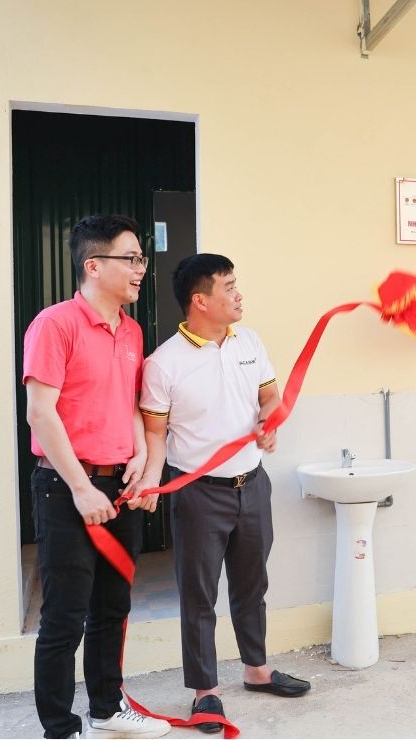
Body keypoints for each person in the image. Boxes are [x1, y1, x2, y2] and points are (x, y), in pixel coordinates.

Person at [135, 253, 310, 734]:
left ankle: (256, 670)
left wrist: (269, 423)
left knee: (252, 585)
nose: (238, 294)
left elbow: (269, 398)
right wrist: (151, 479)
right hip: (198, 495)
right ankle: (205, 692)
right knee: (199, 594)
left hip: (252, 485)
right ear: (200, 300)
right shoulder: (163, 364)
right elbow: (154, 435)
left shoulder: (249, 341)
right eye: (228, 287)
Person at [23, 214, 169, 739]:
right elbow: (41, 412)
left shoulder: (130, 330)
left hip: (118, 488)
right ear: (93, 265)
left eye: (141, 260)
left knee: (113, 605)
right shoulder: (55, 324)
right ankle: (61, 728)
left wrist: (136, 455)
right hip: (67, 488)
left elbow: (129, 403)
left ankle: (107, 710)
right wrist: (82, 488)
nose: (140, 270)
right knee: (64, 616)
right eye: (130, 259)